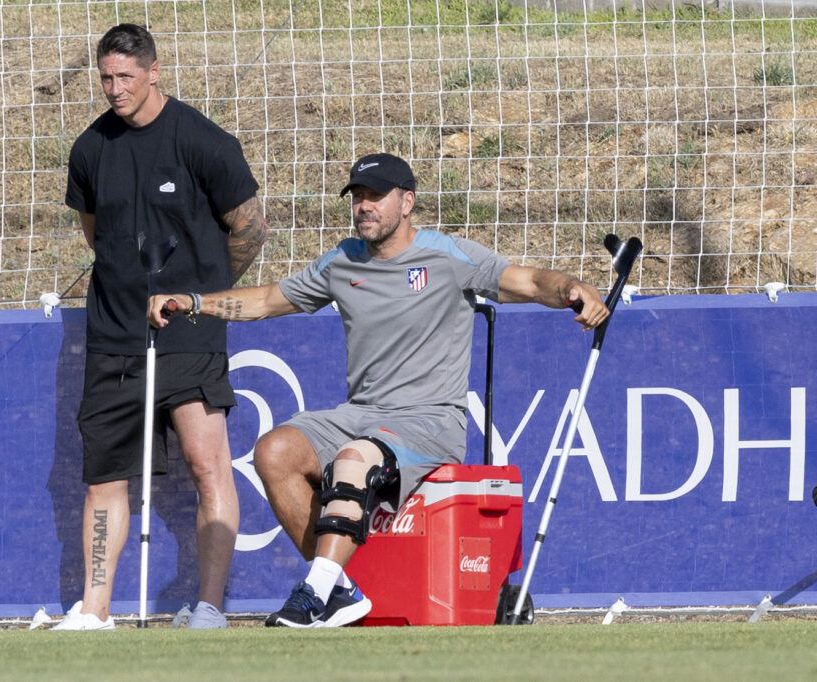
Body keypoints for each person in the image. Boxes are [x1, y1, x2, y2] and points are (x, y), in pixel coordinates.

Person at [148, 152, 608, 628]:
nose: (364, 206)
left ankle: (312, 593)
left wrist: (573, 288)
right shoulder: (341, 263)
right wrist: (194, 302)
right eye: (358, 197)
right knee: (274, 450)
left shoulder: (449, 256)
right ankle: (337, 590)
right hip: (362, 415)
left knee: (353, 458)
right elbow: (265, 300)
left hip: (430, 421)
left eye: (375, 196)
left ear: (407, 202)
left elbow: (528, 281)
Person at [53, 23, 269, 631]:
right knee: (104, 478)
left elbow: (250, 229)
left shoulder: (203, 141)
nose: (115, 89)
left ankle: (209, 607)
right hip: (114, 336)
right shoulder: (91, 148)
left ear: (153, 71)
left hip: (189, 336)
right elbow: (95, 233)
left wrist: (200, 296)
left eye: (125, 76)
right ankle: (95, 610)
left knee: (208, 465)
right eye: (105, 78)